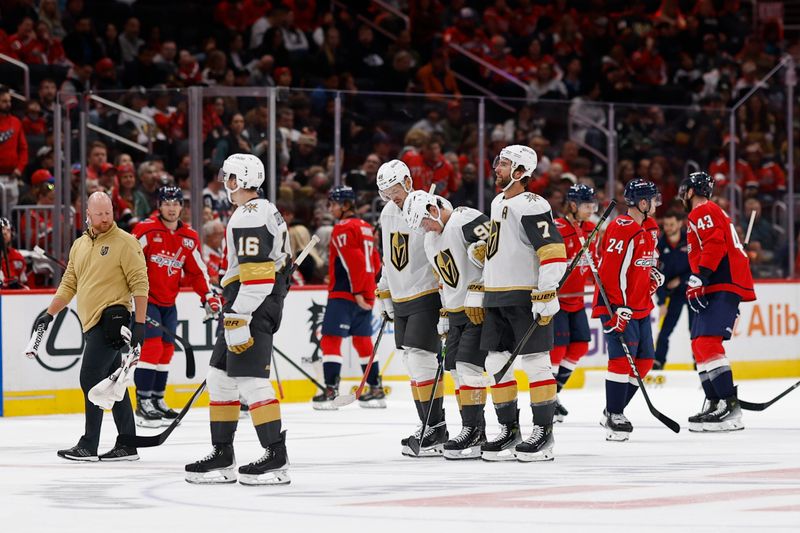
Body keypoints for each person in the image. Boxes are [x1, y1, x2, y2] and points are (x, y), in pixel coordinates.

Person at [185, 153, 293, 485]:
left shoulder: (249, 216)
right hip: (248, 303)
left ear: (240, 180)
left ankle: (276, 454)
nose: (225, 184)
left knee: (250, 381)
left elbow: (259, 279)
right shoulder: (263, 210)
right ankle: (223, 454)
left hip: (251, 305)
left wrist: (238, 315)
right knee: (219, 378)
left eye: (229, 177)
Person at [32, 192, 148, 461]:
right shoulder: (79, 245)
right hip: (91, 323)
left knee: (90, 378)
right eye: (99, 214)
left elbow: (140, 284)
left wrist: (139, 323)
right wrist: (49, 314)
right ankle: (127, 444)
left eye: (108, 212)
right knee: (114, 383)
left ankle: (89, 444)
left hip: (112, 322)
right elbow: (69, 283)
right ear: (88, 214)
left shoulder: (125, 243)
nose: (105, 218)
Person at [476, 145, 567, 462]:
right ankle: (509, 430)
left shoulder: (532, 203)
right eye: (498, 162)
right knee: (495, 365)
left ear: (520, 171)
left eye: (503, 164)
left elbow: (553, 249)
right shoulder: (498, 201)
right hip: (497, 295)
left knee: (535, 363)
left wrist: (546, 291)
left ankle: (543, 433)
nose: (496, 168)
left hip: (524, 296)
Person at [402, 189, 494, 460]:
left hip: (478, 309)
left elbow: (495, 250)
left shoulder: (465, 218)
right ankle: (471, 430)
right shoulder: (431, 241)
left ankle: (474, 430)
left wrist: (483, 288)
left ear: (433, 209)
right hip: (455, 313)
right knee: (456, 370)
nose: (424, 228)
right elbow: (443, 279)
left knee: (470, 367)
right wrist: (444, 312)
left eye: (424, 221)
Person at [131, 187, 221, 428]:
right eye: (167, 202)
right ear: (159, 205)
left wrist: (208, 298)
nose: (171, 207)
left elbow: (197, 272)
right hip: (145, 300)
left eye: (176, 203)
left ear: (182, 206)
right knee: (151, 347)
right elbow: (126, 261)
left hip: (169, 303)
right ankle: (143, 402)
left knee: (166, 350)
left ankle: (158, 399)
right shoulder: (146, 230)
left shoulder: (189, 237)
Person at [374, 159, 446, 457]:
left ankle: (436, 427)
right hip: (402, 297)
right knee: (410, 362)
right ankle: (427, 425)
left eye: (395, 191)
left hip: (426, 293)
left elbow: (443, 253)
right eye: (387, 194)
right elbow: (389, 256)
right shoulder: (388, 213)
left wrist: (446, 300)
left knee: (421, 359)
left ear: (407, 181)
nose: (393, 198)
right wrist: (384, 290)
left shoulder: (431, 206)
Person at [679, 171, 755, 432]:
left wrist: (701, 276)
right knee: (699, 345)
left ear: (691, 191)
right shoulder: (709, 211)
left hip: (721, 282)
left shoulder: (703, 210)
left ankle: (729, 406)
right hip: (715, 282)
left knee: (708, 343)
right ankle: (715, 402)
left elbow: (715, 243)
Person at [592, 178, 662, 442]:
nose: (656, 204)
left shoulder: (650, 227)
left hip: (640, 304)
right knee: (621, 360)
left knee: (644, 360)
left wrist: (653, 275)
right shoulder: (622, 228)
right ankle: (615, 414)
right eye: (653, 199)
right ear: (642, 203)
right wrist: (618, 308)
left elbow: (640, 264)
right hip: (617, 305)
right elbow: (612, 273)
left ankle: (612, 409)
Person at [312, 185, 383, 409]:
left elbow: (354, 261)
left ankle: (331, 391)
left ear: (345, 205)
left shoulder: (343, 227)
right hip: (364, 290)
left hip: (346, 292)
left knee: (330, 339)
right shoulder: (364, 226)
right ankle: (376, 389)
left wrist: (358, 291)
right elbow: (375, 261)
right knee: (362, 341)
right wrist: (368, 291)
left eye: (333, 203)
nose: (330, 208)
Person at [550, 184, 597, 421]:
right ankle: (549, 398)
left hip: (577, 299)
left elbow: (595, 262)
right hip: (557, 300)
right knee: (557, 348)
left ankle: (552, 394)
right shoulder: (557, 228)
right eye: (587, 204)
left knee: (579, 345)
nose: (591, 209)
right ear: (573, 205)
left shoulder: (591, 229)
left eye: (592, 204)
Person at [654, 210, 694, 370]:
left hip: (693, 291)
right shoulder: (659, 245)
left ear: (679, 223)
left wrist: (681, 279)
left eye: (671, 224)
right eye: (665, 225)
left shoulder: (690, 240)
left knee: (695, 330)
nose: (668, 228)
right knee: (665, 330)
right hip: (675, 295)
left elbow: (700, 265)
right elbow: (656, 276)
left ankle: (700, 363)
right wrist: (662, 302)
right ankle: (658, 362)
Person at [0, 217, 28, 289]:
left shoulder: (17, 256)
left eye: (8, 230)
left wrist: (20, 287)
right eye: (2, 229)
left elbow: (23, 282)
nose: (4, 233)